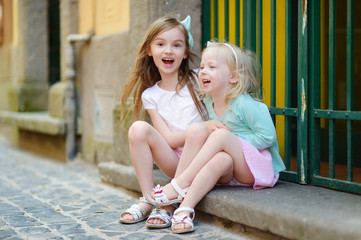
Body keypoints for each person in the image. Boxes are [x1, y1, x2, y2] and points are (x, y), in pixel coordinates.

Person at [146, 42, 286, 233]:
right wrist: (227, 143)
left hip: (254, 168)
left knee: (220, 135)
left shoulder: (244, 103)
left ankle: (178, 184)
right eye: (202, 67)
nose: (203, 71)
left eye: (211, 67)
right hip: (231, 168)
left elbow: (268, 137)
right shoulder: (210, 103)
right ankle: (185, 209)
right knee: (219, 156)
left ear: (233, 77)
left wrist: (233, 140)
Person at [118, 15, 211, 228]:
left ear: (185, 53)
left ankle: (167, 205)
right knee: (138, 129)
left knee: (197, 133)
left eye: (176, 45)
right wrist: (202, 127)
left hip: (200, 158)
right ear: (149, 50)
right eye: (161, 44)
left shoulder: (198, 80)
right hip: (173, 160)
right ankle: (149, 199)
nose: (168, 50)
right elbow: (168, 139)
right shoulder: (150, 95)